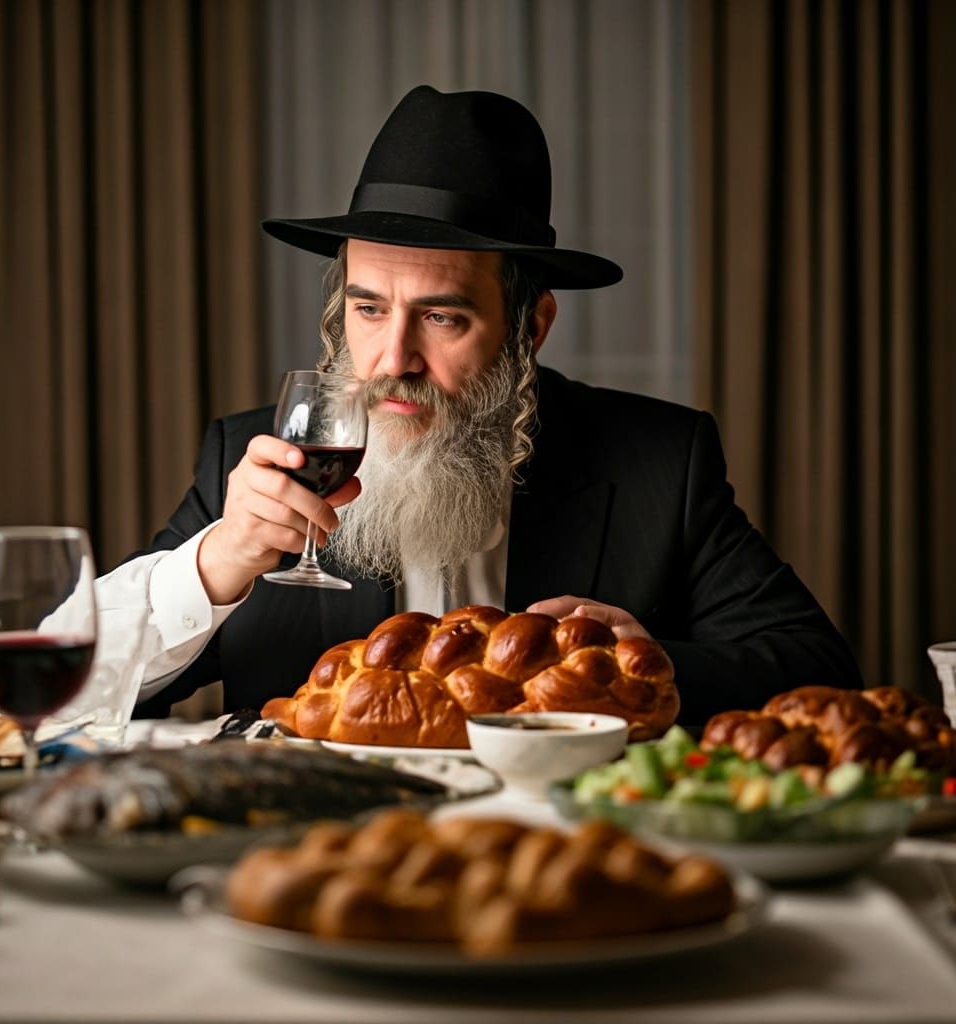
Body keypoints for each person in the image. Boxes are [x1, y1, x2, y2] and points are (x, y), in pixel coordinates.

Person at [97, 85, 861, 728]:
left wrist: (655, 668)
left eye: (441, 318)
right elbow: (71, 683)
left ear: (531, 327)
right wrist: (214, 563)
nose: (393, 361)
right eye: (368, 310)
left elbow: (817, 669)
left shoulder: (659, 459)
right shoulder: (253, 458)